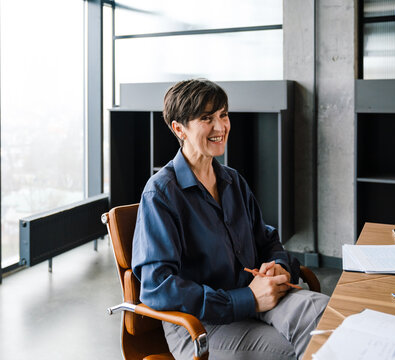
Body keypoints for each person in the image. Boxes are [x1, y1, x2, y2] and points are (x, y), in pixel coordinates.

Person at [131, 79, 329, 360]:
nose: (220, 127)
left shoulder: (232, 180)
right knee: (291, 352)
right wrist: (246, 300)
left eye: (223, 115)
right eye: (206, 118)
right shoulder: (161, 193)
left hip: (254, 299)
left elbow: (268, 240)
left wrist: (281, 267)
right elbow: (157, 286)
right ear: (179, 129)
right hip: (200, 325)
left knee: (327, 316)